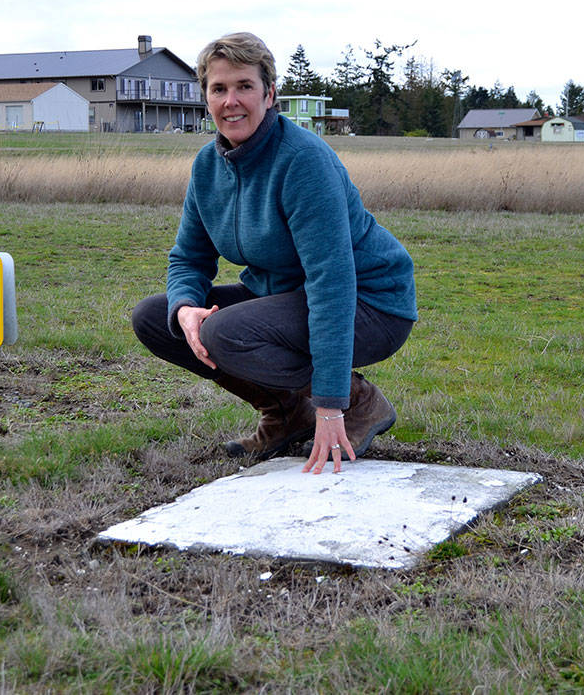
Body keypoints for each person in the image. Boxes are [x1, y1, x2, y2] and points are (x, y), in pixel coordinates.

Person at [131, 32, 417, 475]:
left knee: (225, 332)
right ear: (205, 98)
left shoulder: (303, 160)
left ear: (269, 94)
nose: (232, 101)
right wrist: (186, 307)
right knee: (157, 317)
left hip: (370, 303)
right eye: (219, 88)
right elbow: (188, 257)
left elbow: (331, 282)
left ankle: (361, 402)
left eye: (244, 86)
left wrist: (330, 404)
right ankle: (285, 414)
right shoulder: (208, 166)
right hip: (288, 296)